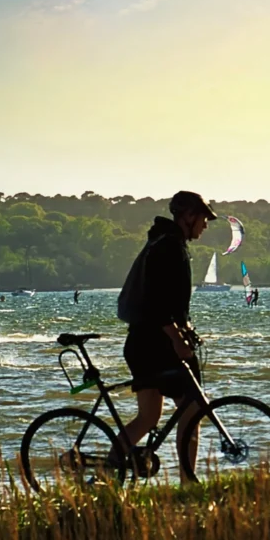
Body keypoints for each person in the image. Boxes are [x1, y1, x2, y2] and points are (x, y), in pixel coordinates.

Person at [116, 190, 215, 481]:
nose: (205, 225)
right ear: (188, 217)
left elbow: (168, 303)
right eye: (203, 219)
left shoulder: (165, 242)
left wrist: (186, 329)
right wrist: (177, 339)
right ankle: (188, 482)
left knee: (149, 417)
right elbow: (157, 304)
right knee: (193, 409)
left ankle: (110, 467)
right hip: (155, 345)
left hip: (143, 342)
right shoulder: (169, 247)